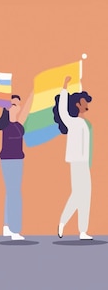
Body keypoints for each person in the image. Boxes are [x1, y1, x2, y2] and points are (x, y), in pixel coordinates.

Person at [54, 76, 93, 240]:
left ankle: (82, 230)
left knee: (86, 194)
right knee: (78, 194)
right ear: (78, 104)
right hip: (76, 162)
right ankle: (62, 222)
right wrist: (64, 87)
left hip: (83, 163)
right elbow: (62, 110)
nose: (87, 104)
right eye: (85, 101)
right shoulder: (72, 121)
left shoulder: (83, 123)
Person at [0, 92, 33, 241]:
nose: (18, 107)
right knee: (14, 193)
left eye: (18, 104)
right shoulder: (5, 125)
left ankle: (6, 226)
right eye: (14, 104)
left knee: (11, 192)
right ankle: (15, 230)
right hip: (8, 160)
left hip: (18, 160)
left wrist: (32, 93)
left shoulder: (19, 124)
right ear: (8, 107)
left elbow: (27, 109)